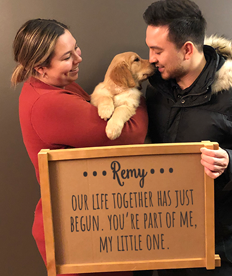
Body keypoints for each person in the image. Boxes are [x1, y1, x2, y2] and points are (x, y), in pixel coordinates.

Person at [139, 0, 232, 275]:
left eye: (157, 50)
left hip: (217, 246)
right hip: (165, 239)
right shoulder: (156, 90)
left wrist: (230, 162)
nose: (151, 58)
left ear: (186, 49)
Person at [11, 19, 148, 276]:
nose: (78, 59)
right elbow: (131, 133)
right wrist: (133, 91)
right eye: (67, 57)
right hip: (77, 233)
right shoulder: (49, 103)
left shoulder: (55, 84)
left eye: (76, 48)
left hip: (88, 221)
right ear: (40, 68)